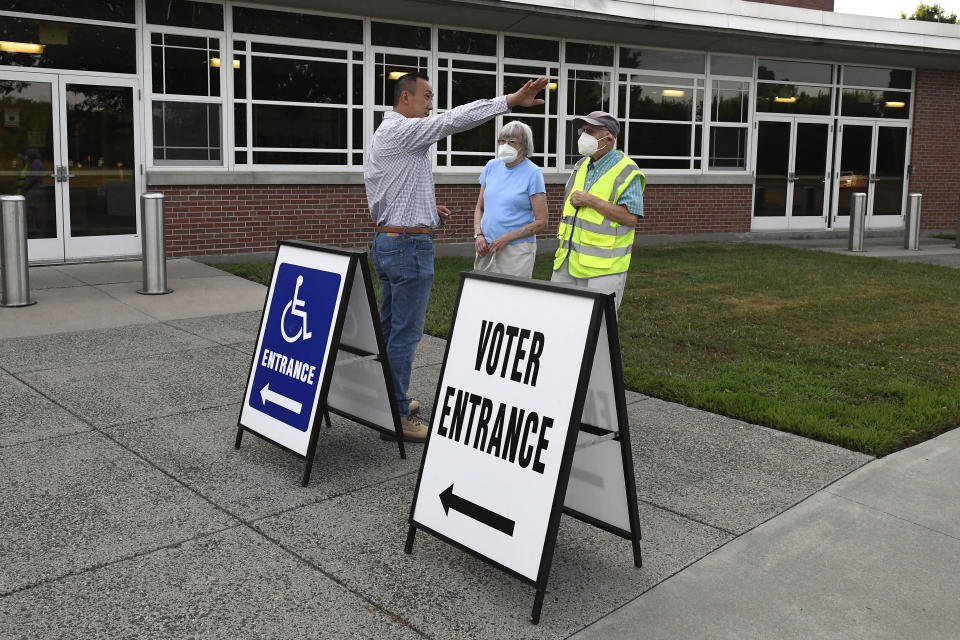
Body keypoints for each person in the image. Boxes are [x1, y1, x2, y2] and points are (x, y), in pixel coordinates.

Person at [365, 72, 548, 442]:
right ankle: (397, 414)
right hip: (406, 248)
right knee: (405, 334)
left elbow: (393, 193)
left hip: (388, 241)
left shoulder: (385, 135)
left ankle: (385, 397)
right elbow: (454, 120)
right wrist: (509, 101)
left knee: (387, 329)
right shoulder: (403, 131)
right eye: (427, 96)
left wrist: (430, 212)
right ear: (405, 98)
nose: (432, 105)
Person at [551, 111, 645, 310]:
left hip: (604, 269)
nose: (584, 136)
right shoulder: (581, 165)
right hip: (566, 262)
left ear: (609, 136)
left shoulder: (627, 171)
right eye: (583, 130)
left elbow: (630, 218)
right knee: (560, 321)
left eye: (591, 131)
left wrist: (591, 200)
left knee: (599, 328)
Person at [473, 121, 547, 277]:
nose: (504, 145)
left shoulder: (533, 173)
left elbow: (541, 222)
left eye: (511, 142)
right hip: (486, 246)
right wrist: (479, 235)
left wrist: (506, 238)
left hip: (516, 250)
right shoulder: (491, 166)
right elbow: (480, 208)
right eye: (502, 141)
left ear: (524, 147)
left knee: (512, 298)